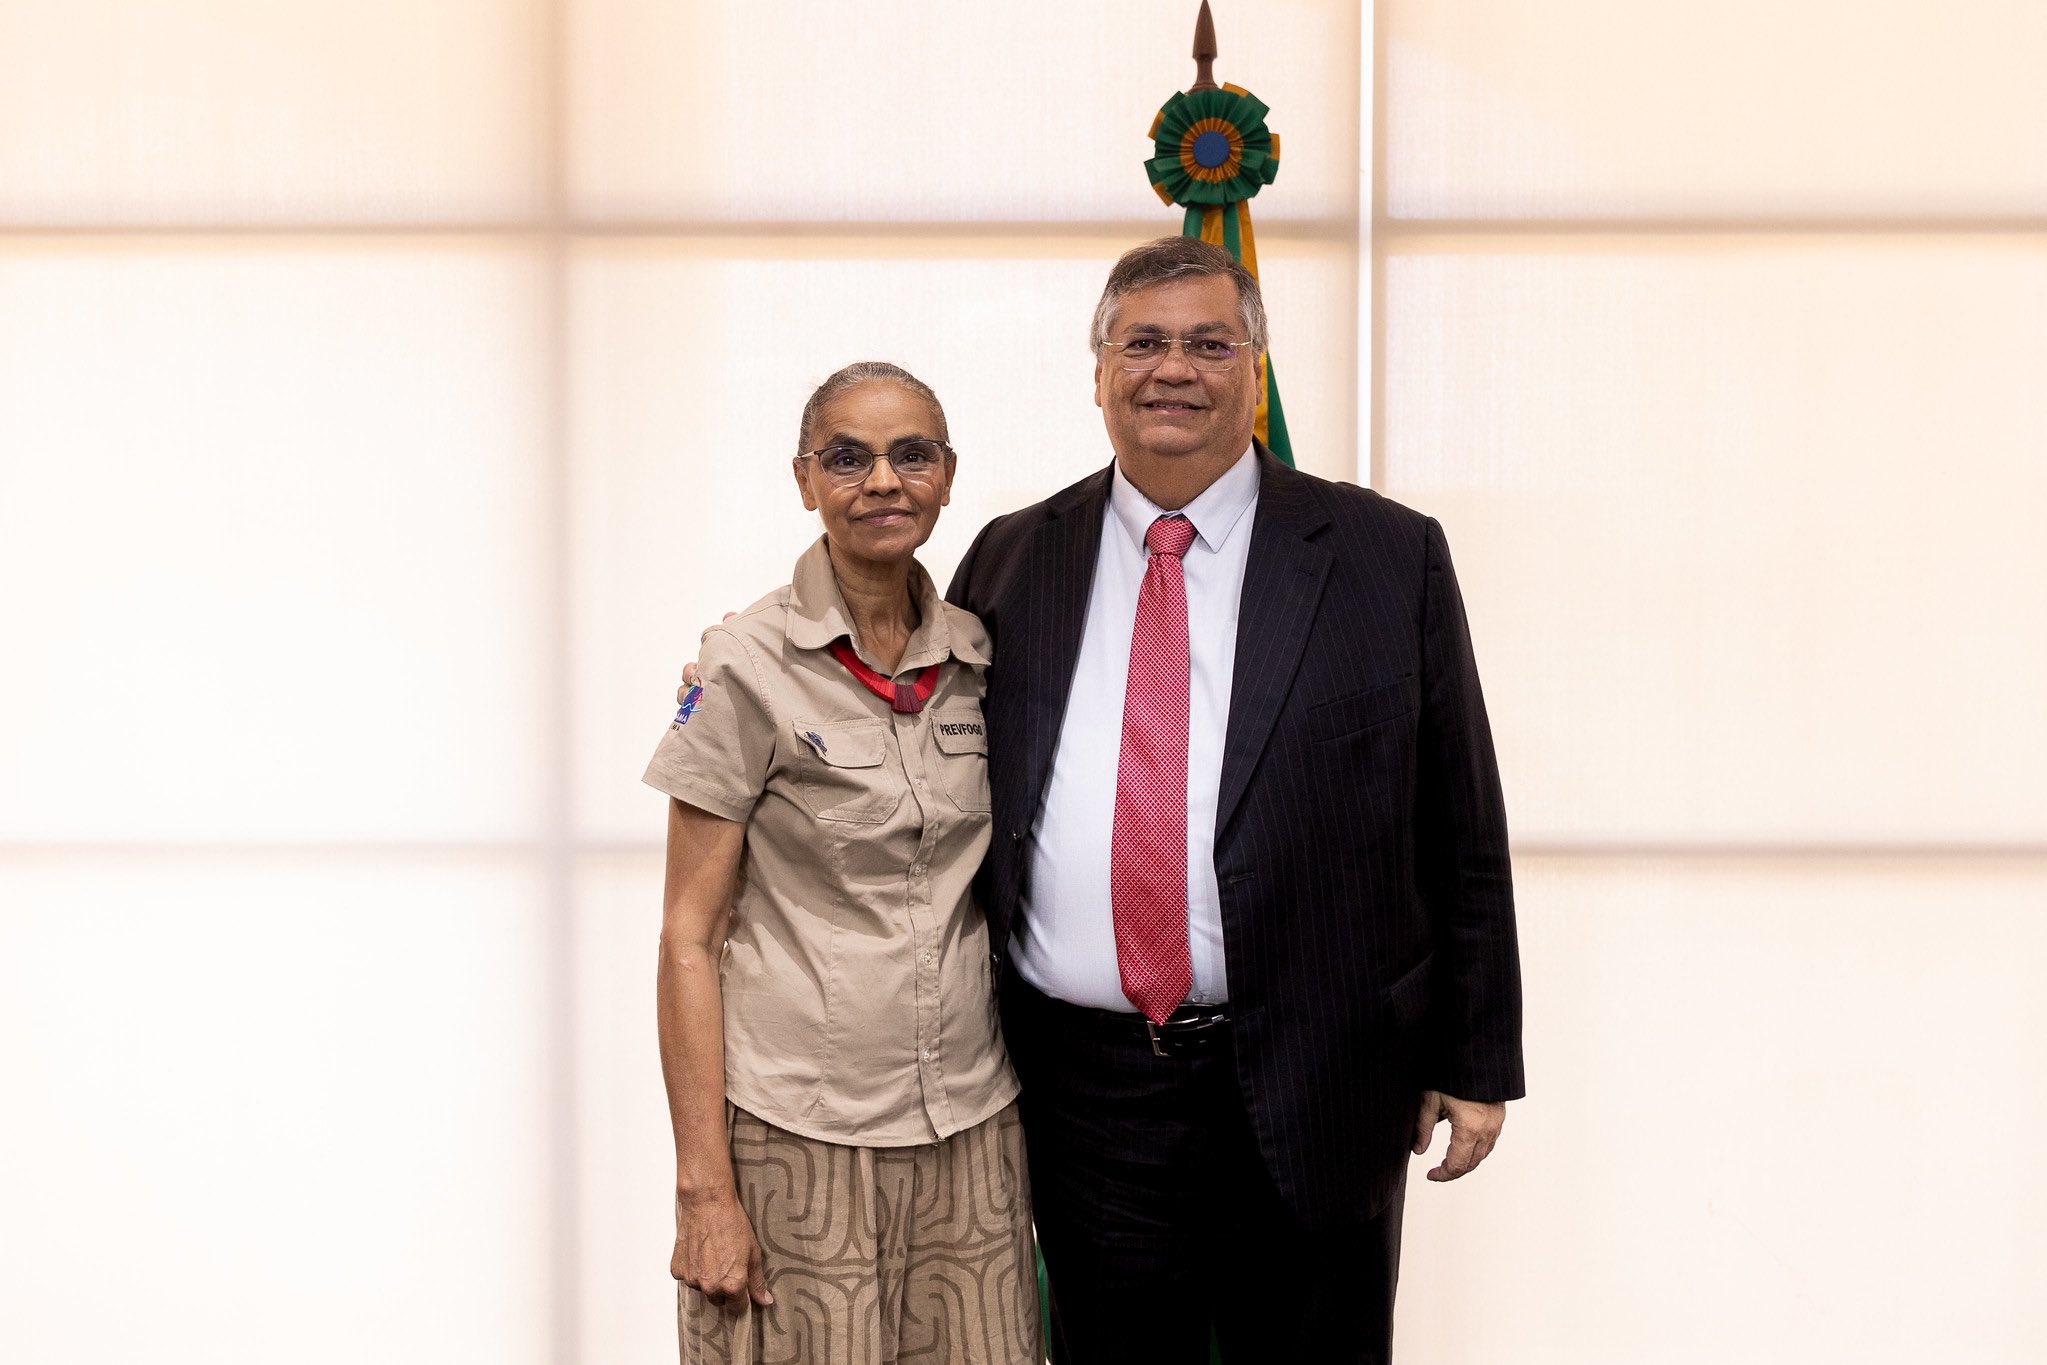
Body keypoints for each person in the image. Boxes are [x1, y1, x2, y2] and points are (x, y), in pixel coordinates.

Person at [941, 236, 1525, 1364]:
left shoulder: (1381, 554)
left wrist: (1476, 1055)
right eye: (1143, 342)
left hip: (1318, 1067)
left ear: (1254, 372)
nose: (1174, 368)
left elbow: (1460, 821)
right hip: (1080, 1088)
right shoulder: (1011, 560)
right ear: (1098, 369)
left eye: (1210, 343)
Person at [645, 362, 1039, 1365]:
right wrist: (703, 1187)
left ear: (948, 476)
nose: (882, 482)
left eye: (912, 455)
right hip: (797, 1129)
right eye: (847, 457)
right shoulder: (743, 663)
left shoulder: (986, 657)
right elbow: (688, 937)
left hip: (971, 1127)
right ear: (803, 478)